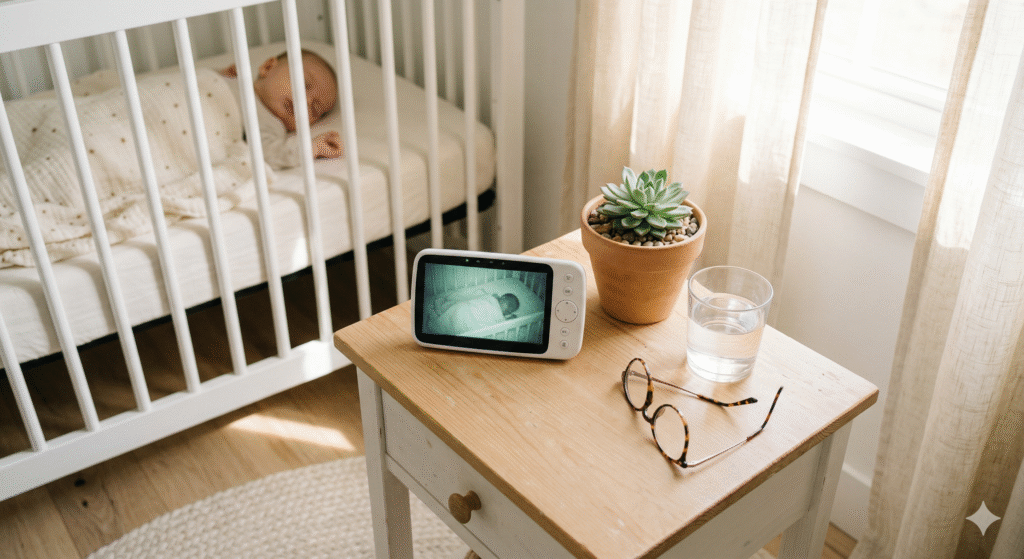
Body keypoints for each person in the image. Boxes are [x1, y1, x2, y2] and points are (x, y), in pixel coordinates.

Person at [220, 49, 343, 170]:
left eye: (314, 109)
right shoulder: (235, 79)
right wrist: (221, 74)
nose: (306, 101)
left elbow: (268, 153)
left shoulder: (270, 124)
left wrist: (313, 147)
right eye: (303, 84)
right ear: (268, 67)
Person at [428, 290, 520, 336]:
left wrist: (509, 320)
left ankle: (440, 323)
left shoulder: (498, 314)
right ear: (502, 298)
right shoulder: (490, 300)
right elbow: (479, 299)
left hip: (472, 319)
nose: (510, 310)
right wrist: (494, 297)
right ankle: (441, 322)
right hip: (465, 309)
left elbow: (499, 324)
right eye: (510, 305)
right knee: (459, 309)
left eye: (512, 310)